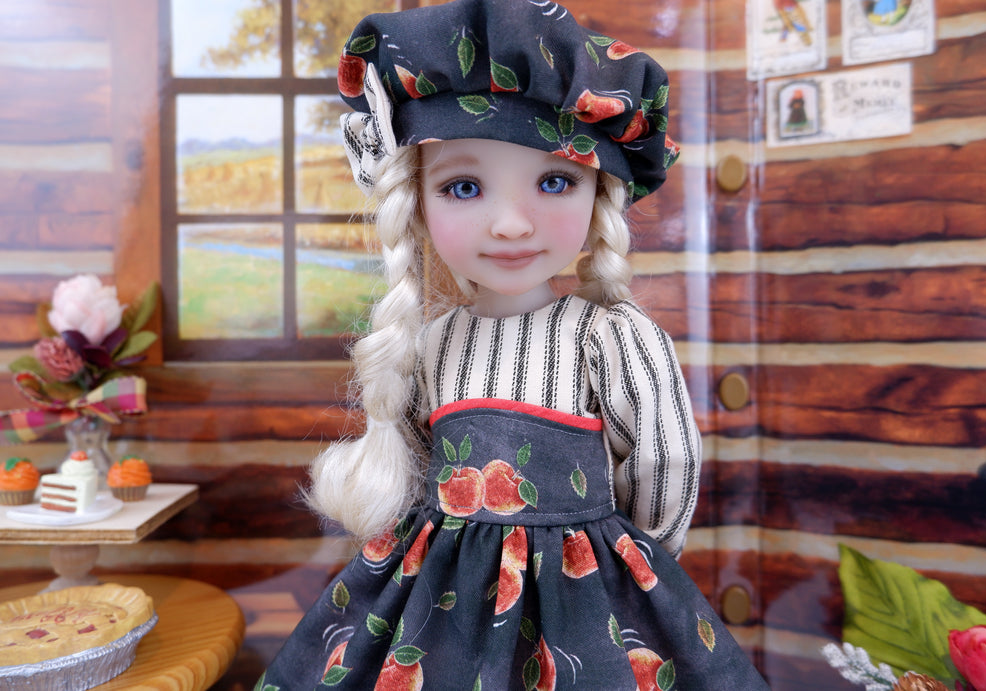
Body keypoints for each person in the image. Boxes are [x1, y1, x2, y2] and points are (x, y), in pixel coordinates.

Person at [259, 0, 771, 688]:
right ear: (417, 202)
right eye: (463, 186)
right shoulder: (433, 341)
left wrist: (624, 562)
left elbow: (665, 463)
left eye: (555, 181)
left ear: (598, 194)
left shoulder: (609, 335)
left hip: (583, 605)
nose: (509, 224)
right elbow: (414, 463)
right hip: (442, 610)